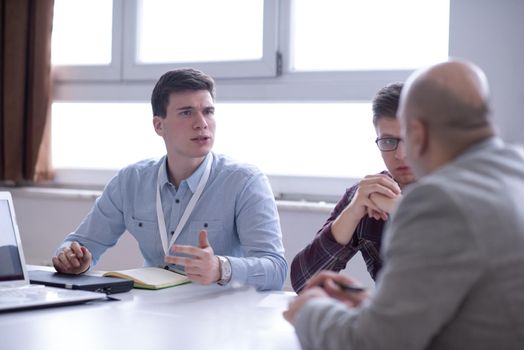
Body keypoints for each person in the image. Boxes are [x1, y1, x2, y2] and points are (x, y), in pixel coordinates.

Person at [284, 59, 524, 349]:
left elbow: (373, 344)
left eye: (404, 138)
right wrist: (374, 304)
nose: (400, 155)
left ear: (418, 135)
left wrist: (310, 310)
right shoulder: (514, 171)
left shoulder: (438, 202)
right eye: (387, 142)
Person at [52, 68, 288, 291]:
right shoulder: (130, 180)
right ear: (158, 125)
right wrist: (72, 259)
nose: (202, 123)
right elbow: (80, 244)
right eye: (187, 112)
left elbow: (277, 269)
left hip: (217, 315)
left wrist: (221, 268)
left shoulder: (245, 181)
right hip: (151, 312)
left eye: (208, 111)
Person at [290, 83, 415, 293]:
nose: (400, 154)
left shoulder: (458, 193)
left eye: (409, 139)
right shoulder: (368, 194)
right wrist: (352, 212)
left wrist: (404, 210)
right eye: (388, 141)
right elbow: (303, 283)